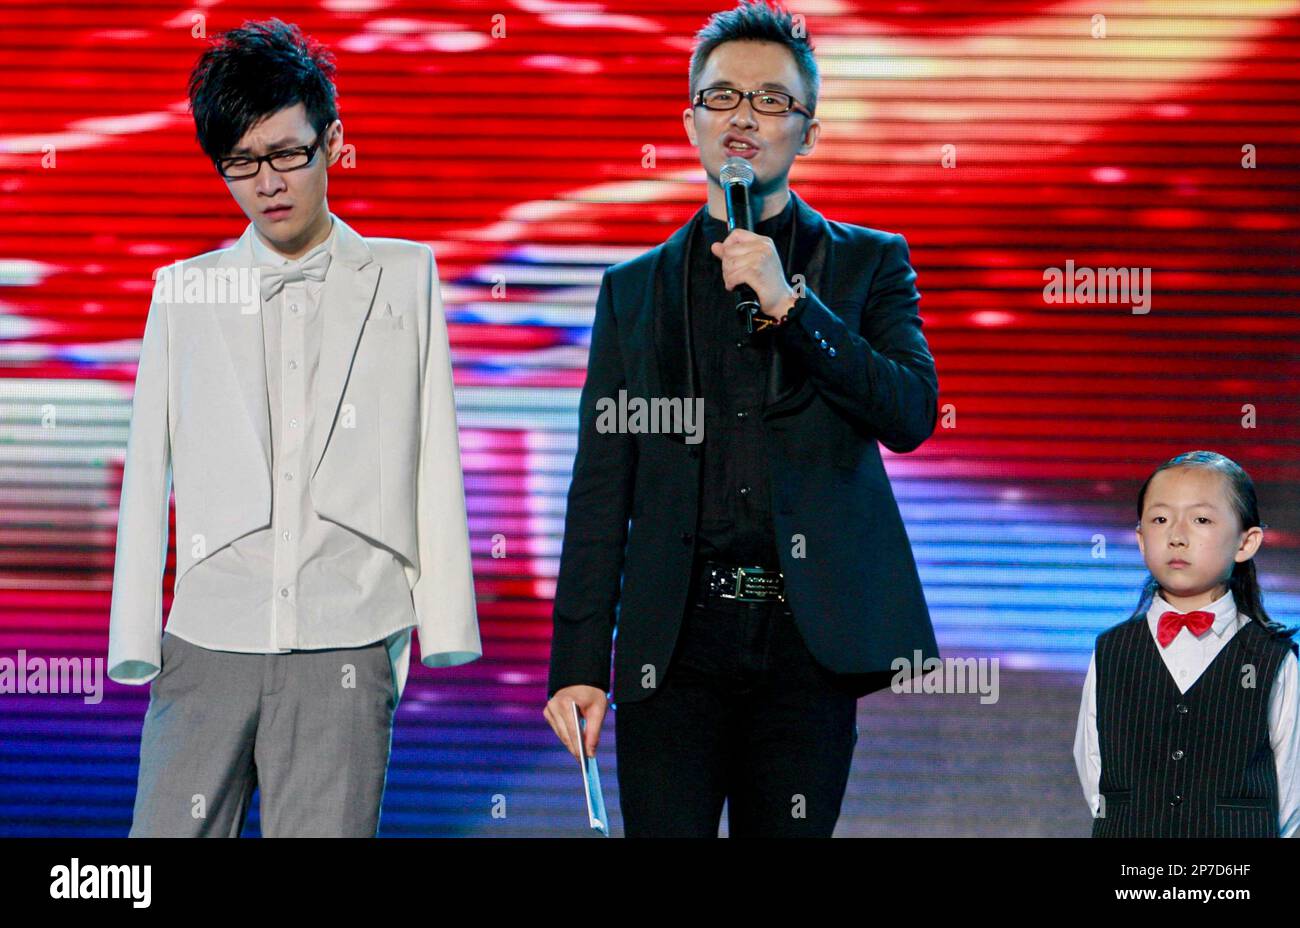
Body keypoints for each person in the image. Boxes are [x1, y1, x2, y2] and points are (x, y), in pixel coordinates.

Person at [543, 0, 940, 837]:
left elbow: (908, 412)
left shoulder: (869, 262)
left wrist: (791, 305)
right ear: (690, 121)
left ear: (809, 131)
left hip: (807, 641)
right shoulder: (633, 291)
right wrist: (578, 665)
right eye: (722, 98)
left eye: (770, 102)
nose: (743, 119)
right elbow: (600, 489)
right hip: (675, 641)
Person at [106, 19, 479, 837]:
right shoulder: (184, 289)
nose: (267, 182)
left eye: (286, 153)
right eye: (241, 163)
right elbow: (146, 472)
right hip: (208, 634)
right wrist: (134, 633)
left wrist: (446, 620)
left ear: (333, 143)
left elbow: (433, 456)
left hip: (348, 631)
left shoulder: (404, 274)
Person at [1073, 450, 1300, 837]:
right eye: (1160, 519)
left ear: (1246, 543)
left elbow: (1292, 788)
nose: (1177, 536)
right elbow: (1095, 768)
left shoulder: (1273, 657)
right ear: (1141, 539)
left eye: (1201, 519)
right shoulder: (1113, 650)